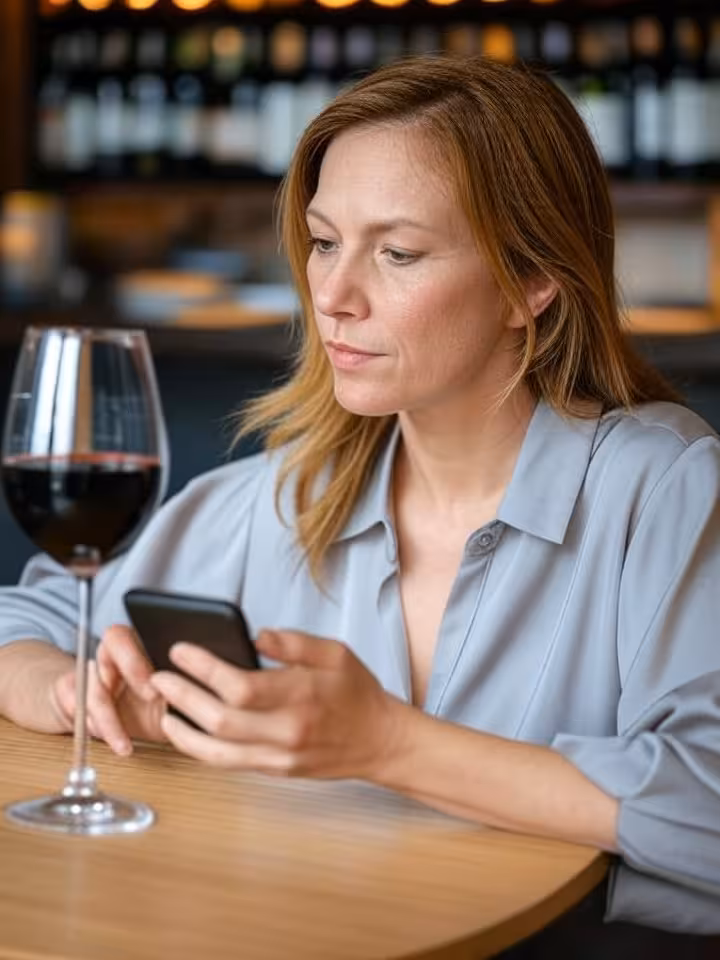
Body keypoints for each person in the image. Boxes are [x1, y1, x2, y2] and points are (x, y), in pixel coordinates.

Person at [1, 54, 719, 955]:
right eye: (325, 241)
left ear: (531, 282)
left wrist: (384, 743)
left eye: (398, 253)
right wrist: (73, 689)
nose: (332, 296)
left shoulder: (661, 488)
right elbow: (19, 618)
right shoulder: (287, 494)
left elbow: (710, 810)